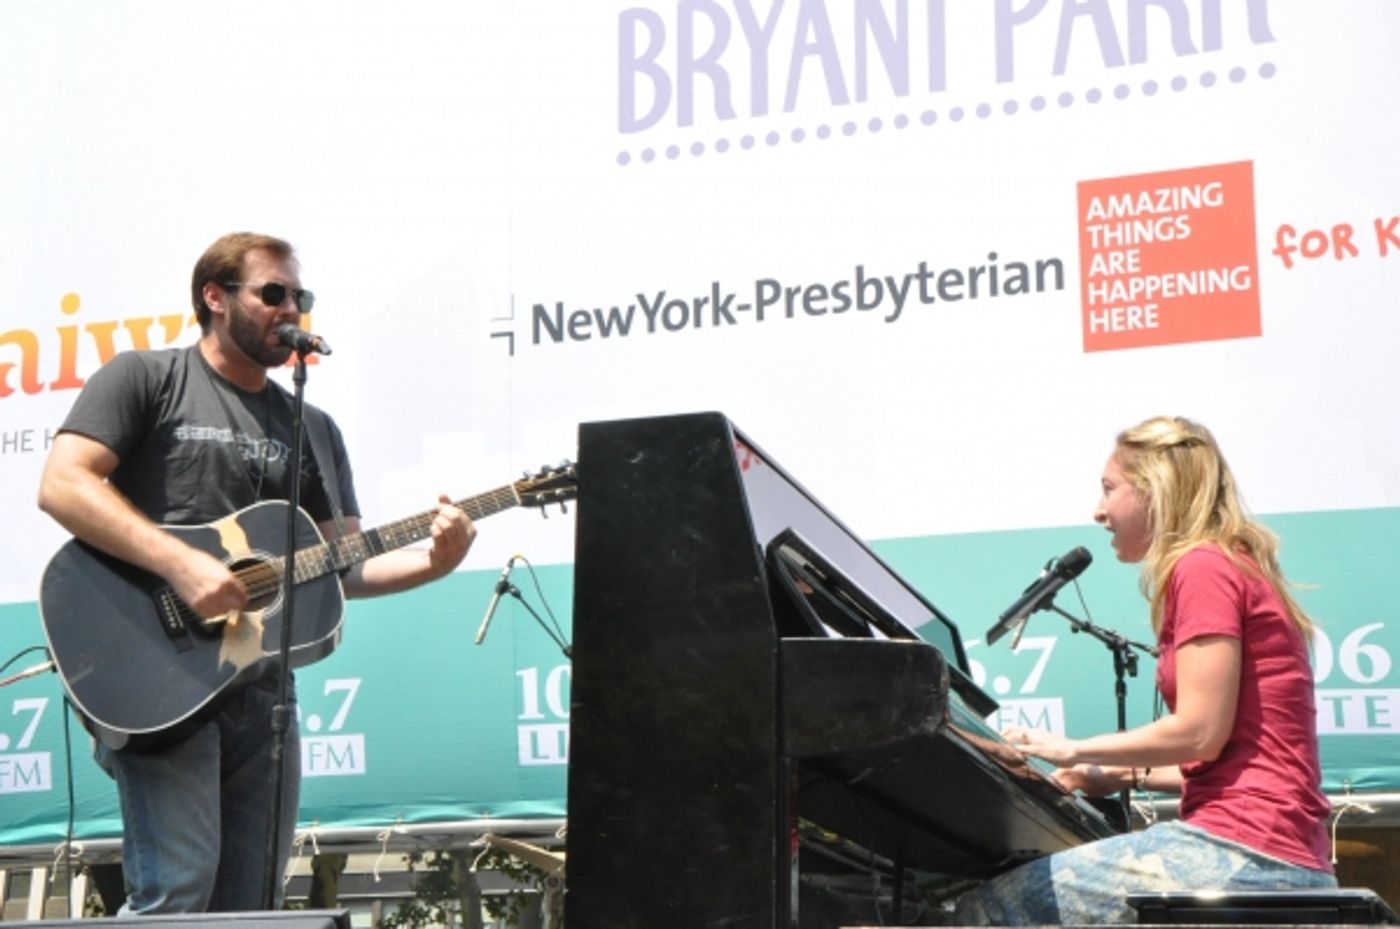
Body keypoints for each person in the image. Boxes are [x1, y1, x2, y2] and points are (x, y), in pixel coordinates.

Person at [36, 232, 477, 914]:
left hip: (264, 691)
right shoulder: (147, 378)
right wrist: (180, 562)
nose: (291, 308)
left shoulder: (314, 426)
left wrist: (434, 560)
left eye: (301, 296)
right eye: (273, 293)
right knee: (178, 889)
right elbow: (63, 484)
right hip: (159, 676)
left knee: (252, 904)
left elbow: (344, 564)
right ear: (215, 297)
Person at [952, 415, 1335, 925]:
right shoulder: (1230, 563)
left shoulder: (1204, 567)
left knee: (984, 909)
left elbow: (1199, 733)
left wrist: (1069, 747)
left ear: (1155, 490)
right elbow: (1232, 758)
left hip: (1246, 853)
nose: (1098, 510)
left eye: (1109, 489)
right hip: (1281, 851)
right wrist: (1112, 773)